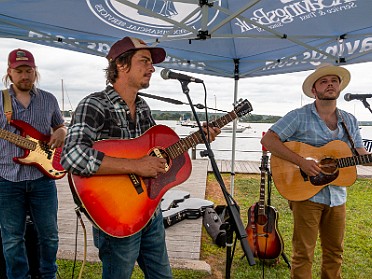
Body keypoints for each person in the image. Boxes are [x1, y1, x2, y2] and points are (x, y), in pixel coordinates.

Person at [60, 36, 220, 279]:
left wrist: (196, 138)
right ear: (121, 65)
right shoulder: (94, 104)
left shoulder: (143, 107)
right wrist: (136, 165)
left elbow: (157, 154)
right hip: (116, 216)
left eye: (151, 63)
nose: (152, 68)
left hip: (150, 211)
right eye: (144, 61)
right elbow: (71, 156)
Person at [261, 64, 371, 279]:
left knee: (335, 252)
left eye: (334, 81)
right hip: (306, 194)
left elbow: (359, 152)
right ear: (314, 90)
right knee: (304, 253)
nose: (330, 84)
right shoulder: (298, 116)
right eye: (324, 81)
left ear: (339, 87)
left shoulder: (350, 120)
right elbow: (268, 140)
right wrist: (301, 162)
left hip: (337, 195)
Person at [0, 49, 66, 279]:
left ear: (35, 71)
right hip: (7, 179)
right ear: (10, 73)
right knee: (11, 238)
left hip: (43, 179)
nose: (25, 75)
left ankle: (49, 274)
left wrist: (61, 132)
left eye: (29, 70)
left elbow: (61, 125)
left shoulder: (48, 99)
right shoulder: (1, 100)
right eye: (19, 71)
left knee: (50, 235)